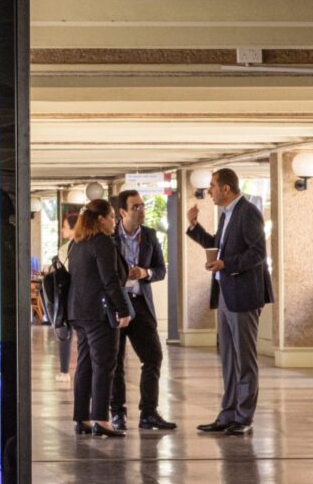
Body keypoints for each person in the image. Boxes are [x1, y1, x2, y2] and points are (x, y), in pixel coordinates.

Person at [186, 168, 274, 436]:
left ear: (226, 189)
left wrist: (227, 264)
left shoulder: (248, 212)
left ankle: (244, 417)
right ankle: (228, 414)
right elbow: (218, 244)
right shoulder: (226, 215)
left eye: (213, 186)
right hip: (225, 292)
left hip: (244, 294)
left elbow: (258, 254)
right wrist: (194, 228)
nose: (209, 191)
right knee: (227, 358)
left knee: (244, 359)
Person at [110, 190, 177, 431]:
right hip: (117, 304)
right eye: (135, 207)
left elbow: (160, 269)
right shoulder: (110, 236)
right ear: (122, 212)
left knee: (153, 357)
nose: (141, 211)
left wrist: (144, 273)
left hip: (140, 303)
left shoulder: (149, 236)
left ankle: (148, 412)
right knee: (115, 361)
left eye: (142, 206)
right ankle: (117, 412)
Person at [67, 199, 132, 438]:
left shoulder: (77, 243)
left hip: (78, 312)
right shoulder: (102, 242)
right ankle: (102, 420)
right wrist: (123, 310)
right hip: (99, 313)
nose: (115, 221)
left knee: (84, 364)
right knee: (104, 366)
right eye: (112, 216)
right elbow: (110, 279)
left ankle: (82, 418)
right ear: (101, 219)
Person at [55, 212, 79, 383]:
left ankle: (64, 372)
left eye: (64, 227)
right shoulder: (89, 245)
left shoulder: (66, 249)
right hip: (80, 297)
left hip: (68, 297)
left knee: (65, 334)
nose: (62, 230)